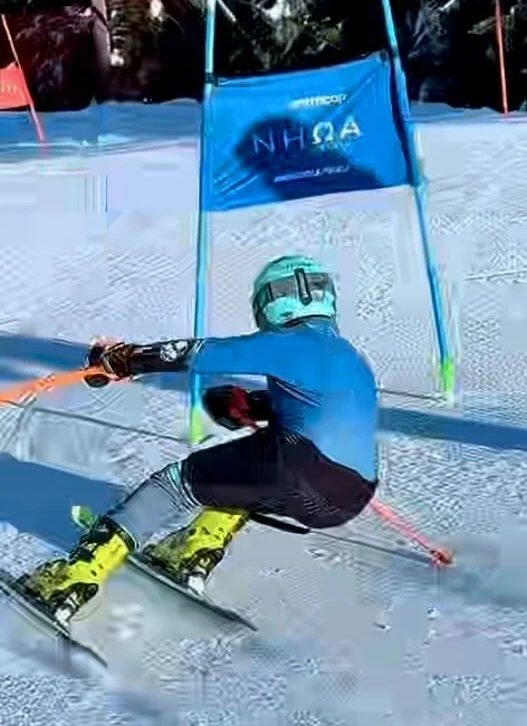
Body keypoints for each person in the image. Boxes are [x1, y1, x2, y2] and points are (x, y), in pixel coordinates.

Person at [21, 254, 378, 623]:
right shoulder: (352, 357)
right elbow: (324, 408)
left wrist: (124, 359)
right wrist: (251, 405)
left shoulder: (290, 342)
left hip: (298, 469)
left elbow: (198, 353)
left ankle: (74, 579)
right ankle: (195, 552)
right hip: (349, 496)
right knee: (244, 481)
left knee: (175, 484)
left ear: (273, 300)